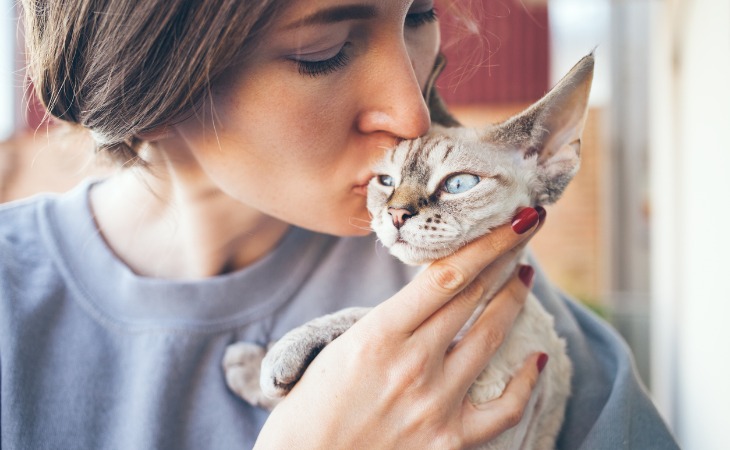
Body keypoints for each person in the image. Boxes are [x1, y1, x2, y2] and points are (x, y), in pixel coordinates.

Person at [0, 0, 678, 448]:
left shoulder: (469, 277)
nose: (412, 114)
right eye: (320, 51)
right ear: (144, 87)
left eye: (417, 13)